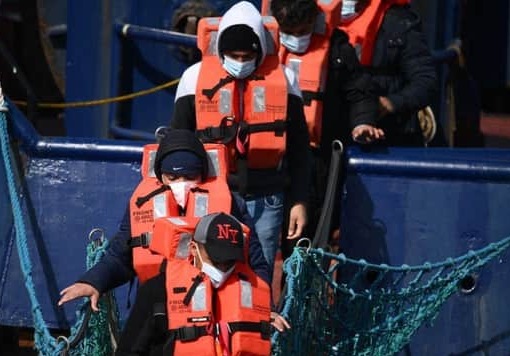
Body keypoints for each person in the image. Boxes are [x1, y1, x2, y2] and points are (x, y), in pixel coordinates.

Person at [170, 1, 312, 282]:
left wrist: (299, 201)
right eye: (233, 55)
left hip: (266, 198)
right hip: (213, 192)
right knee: (210, 269)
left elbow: (299, 150)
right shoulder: (193, 79)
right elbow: (178, 141)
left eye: (247, 55)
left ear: (260, 51)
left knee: (259, 274)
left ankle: (258, 324)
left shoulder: (285, 79)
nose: (240, 62)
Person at [57, 129, 270, 311]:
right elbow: (120, 255)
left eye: (190, 177)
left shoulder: (231, 204)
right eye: (173, 177)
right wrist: (93, 282)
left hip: (213, 308)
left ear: (202, 175)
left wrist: (264, 308)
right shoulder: (143, 204)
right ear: (161, 176)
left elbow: (255, 262)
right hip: (156, 308)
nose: (181, 184)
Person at [116, 212, 290, 356]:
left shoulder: (251, 296)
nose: (223, 268)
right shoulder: (158, 291)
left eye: (229, 262)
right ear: (194, 249)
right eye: (216, 259)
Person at [265, 0, 384, 149]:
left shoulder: (338, 48)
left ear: (313, 21)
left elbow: (359, 90)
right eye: (288, 32)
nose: (296, 38)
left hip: (319, 149)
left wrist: (363, 122)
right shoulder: (263, 47)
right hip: (274, 149)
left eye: (302, 31)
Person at [338, 0, 438, 146]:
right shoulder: (315, 21)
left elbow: (426, 80)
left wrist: (391, 103)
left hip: (387, 134)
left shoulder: (398, 22)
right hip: (333, 132)